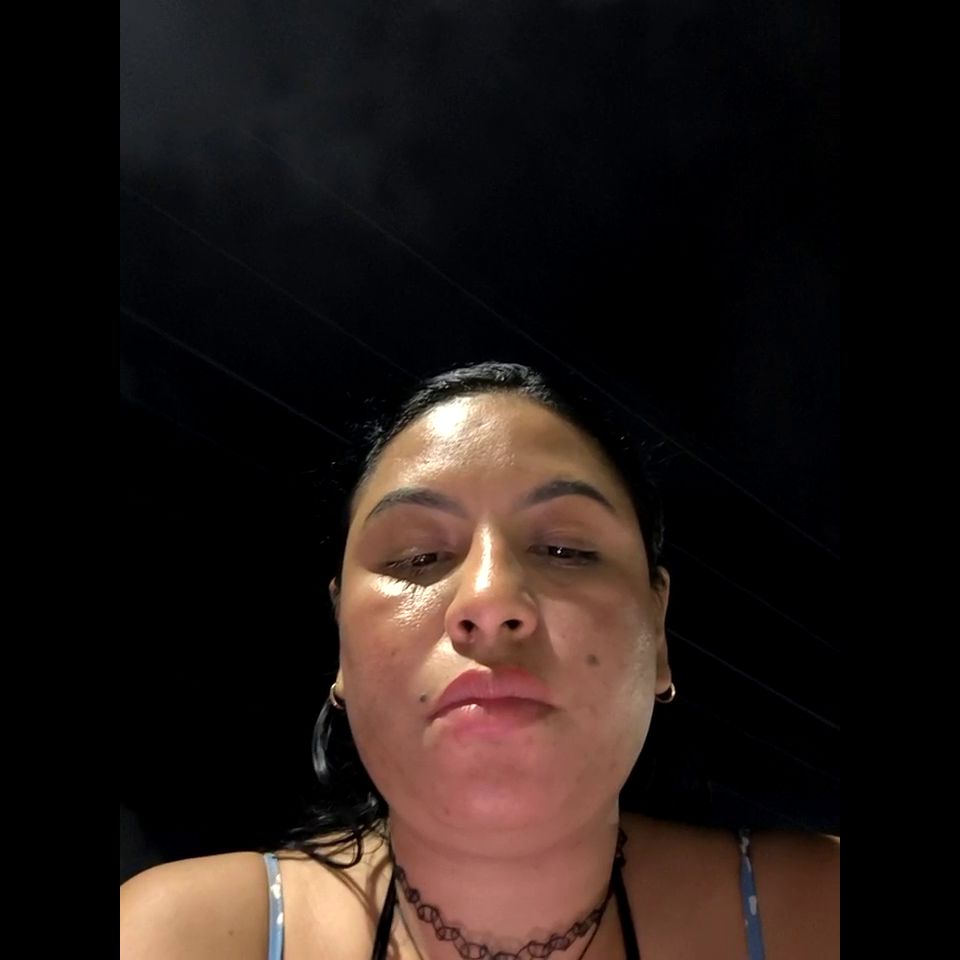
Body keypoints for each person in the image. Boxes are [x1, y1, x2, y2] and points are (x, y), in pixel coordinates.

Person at [120, 361, 840, 959]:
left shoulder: (819, 914)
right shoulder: (178, 937)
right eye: (418, 557)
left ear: (656, 634)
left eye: (564, 550)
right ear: (341, 648)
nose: (490, 599)